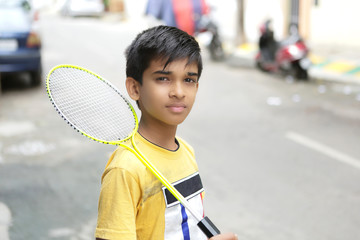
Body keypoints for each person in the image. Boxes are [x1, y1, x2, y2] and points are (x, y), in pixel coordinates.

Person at [95, 25, 237, 240]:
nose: (178, 92)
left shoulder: (186, 150)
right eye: (163, 78)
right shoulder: (125, 169)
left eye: (189, 80)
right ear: (135, 88)